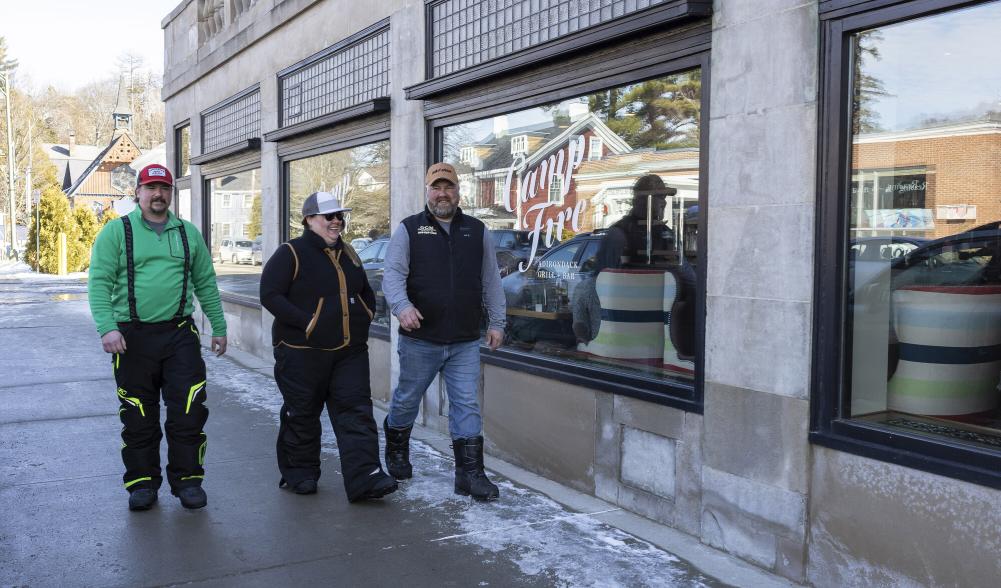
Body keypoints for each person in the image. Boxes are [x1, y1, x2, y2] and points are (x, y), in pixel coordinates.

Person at [88, 163, 227, 511]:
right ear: (137, 193)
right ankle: (142, 484)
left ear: (171, 193)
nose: (158, 195)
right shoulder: (116, 232)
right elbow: (99, 283)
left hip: (179, 334)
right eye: (150, 188)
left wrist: (219, 327)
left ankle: (188, 481)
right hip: (131, 338)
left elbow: (206, 283)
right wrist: (107, 327)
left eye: (164, 188)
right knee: (138, 415)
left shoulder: (187, 233)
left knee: (189, 411)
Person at [259, 191, 398, 502]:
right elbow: (269, 294)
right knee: (302, 414)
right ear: (310, 220)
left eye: (340, 216)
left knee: (357, 413)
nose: (337, 221)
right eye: (329, 216)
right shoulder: (290, 252)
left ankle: (366, 478)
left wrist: (365, 313)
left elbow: (363, 290)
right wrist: (307, 322)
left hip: (349, 352)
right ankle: (300, 474)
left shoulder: (349, 252)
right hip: (300, 352)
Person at [382, 162, 506, 501]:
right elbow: (392, 276)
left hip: (465, 339)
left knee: (466, 403)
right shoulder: (409, 229)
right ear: (428, 192)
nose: (442, 193)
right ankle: (396, 449)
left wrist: (497, 322)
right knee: (407, 399)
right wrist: (402, 307)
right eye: (436, 187)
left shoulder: (478, 231)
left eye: (448, 187)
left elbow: (491, 280)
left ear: (458, 192)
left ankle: (470, 474)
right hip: (421, 339)